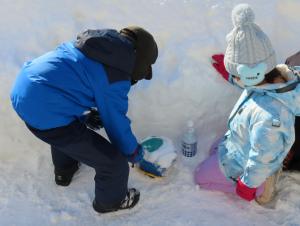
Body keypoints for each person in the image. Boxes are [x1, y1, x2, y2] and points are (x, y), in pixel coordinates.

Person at [10, 26, 158, 213]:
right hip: (45, 108)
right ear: (139, 61)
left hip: (25, 90)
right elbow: (116, 125)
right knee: (113, 163)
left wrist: (84, 115)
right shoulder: (115, 77)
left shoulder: (94, 47)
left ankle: (64, 171)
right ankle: (110, 203)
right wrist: (133, 151)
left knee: (65, 128)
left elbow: (71, 81)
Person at [194, 4, 300, 205]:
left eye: (236, 74)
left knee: (201, 177)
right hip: (239, 141)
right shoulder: (274, 77)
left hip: (250, 159)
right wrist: (233, 76)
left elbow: (263, 156)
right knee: (214, 148)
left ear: (250, 75)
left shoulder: (271, 118)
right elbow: (254, 79)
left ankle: (262, 185)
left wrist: (248, 185)